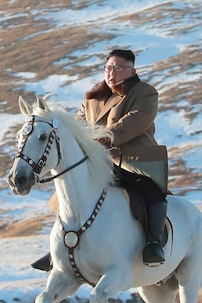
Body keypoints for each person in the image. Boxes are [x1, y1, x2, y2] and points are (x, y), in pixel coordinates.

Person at [32, 49, 168, 271]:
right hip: (98, 161)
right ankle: (61, 247)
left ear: (132, 71)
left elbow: (133, 122)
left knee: (151, 193)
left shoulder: (145, 93)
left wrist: (103, 137)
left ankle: (153, 244)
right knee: (67, 195)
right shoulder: (92, 96)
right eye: (108, 68)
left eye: (118, 68)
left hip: (133, 161)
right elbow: (79, 124)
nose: (111, 73)